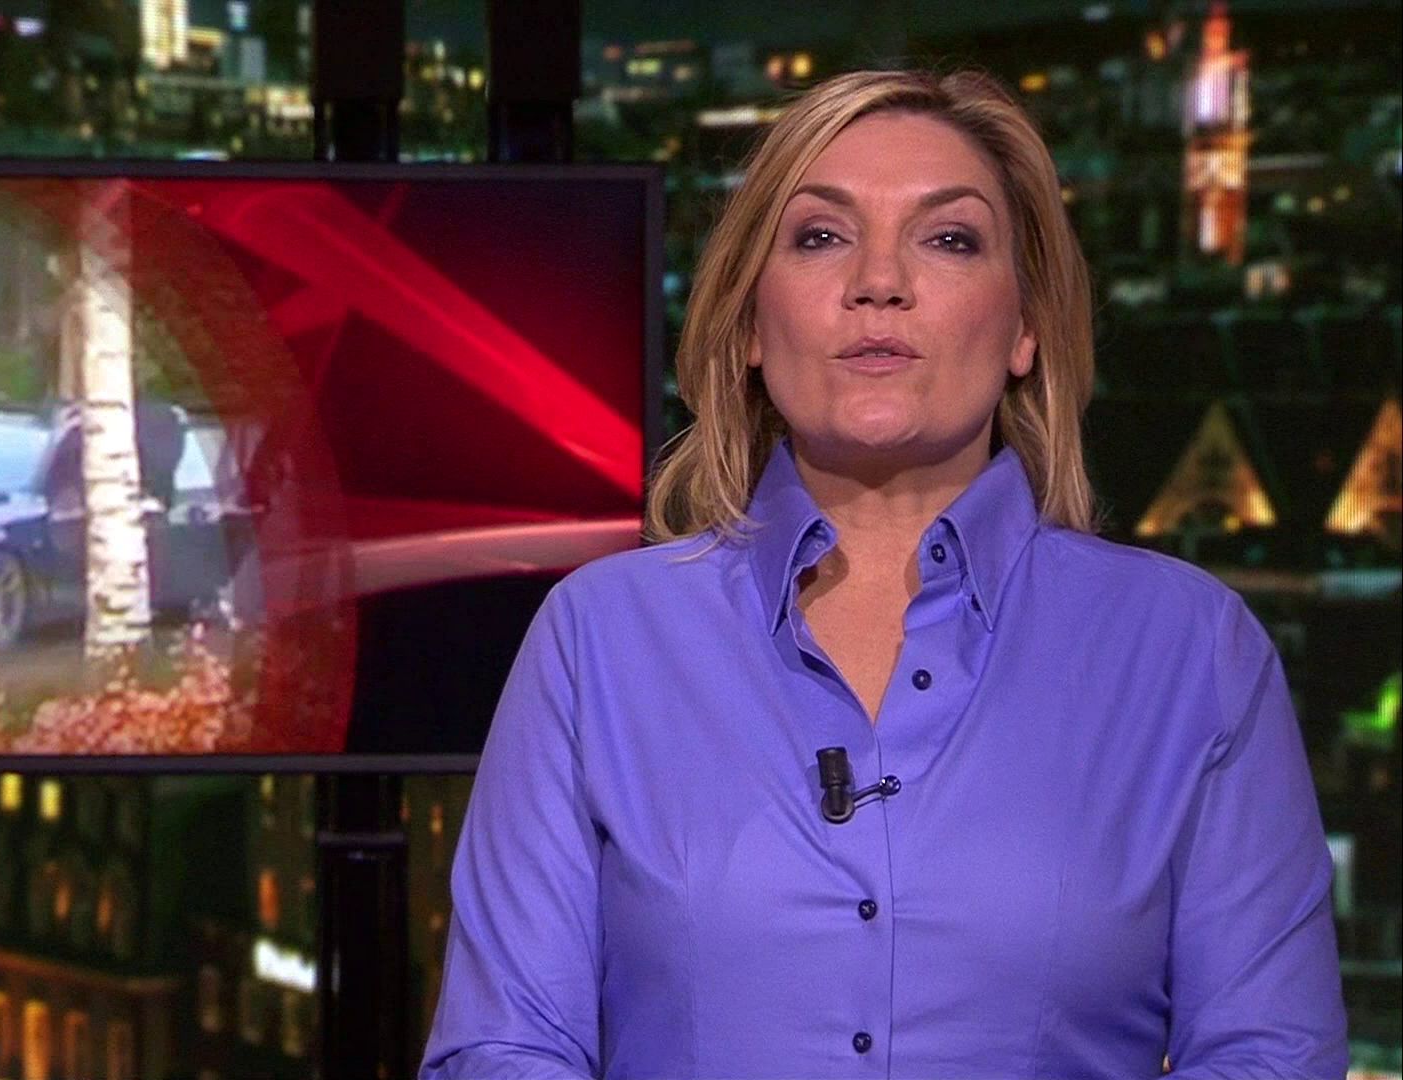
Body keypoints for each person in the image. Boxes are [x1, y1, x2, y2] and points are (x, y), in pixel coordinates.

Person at [418, 69, 1349, 1079]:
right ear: (748, 324)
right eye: (821, 236)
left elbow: (1270, 1056)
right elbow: (503, 1049)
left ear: (1026, 327)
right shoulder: (598, 640)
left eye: (949, 239)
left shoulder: (1189, 650)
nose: (879, 281)